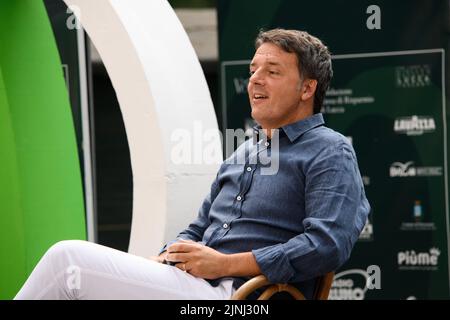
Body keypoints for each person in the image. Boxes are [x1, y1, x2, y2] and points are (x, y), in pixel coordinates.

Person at [14, 28, 370, 300]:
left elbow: (327, 245)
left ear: (307, 89)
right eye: (253, 69)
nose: (255, 80)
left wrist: (225, 264)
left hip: (241, 295)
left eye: (273, 71)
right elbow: (197, 229)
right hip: (193, 285)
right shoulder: (243, 152)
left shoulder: (330, 151)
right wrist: (166, 257)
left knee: (68, 261)